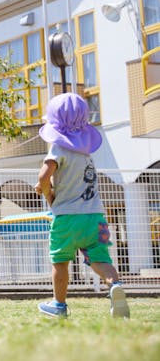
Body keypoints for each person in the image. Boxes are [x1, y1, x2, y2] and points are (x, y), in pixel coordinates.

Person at [35, 92, 130, 319]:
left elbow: (43, 176)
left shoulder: (58, 148)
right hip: (95, 217)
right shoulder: (86, 154)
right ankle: (114, 284)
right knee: (100, 259)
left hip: (67, 218)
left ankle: (59, 305)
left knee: (60, 261)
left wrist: (46, 191)